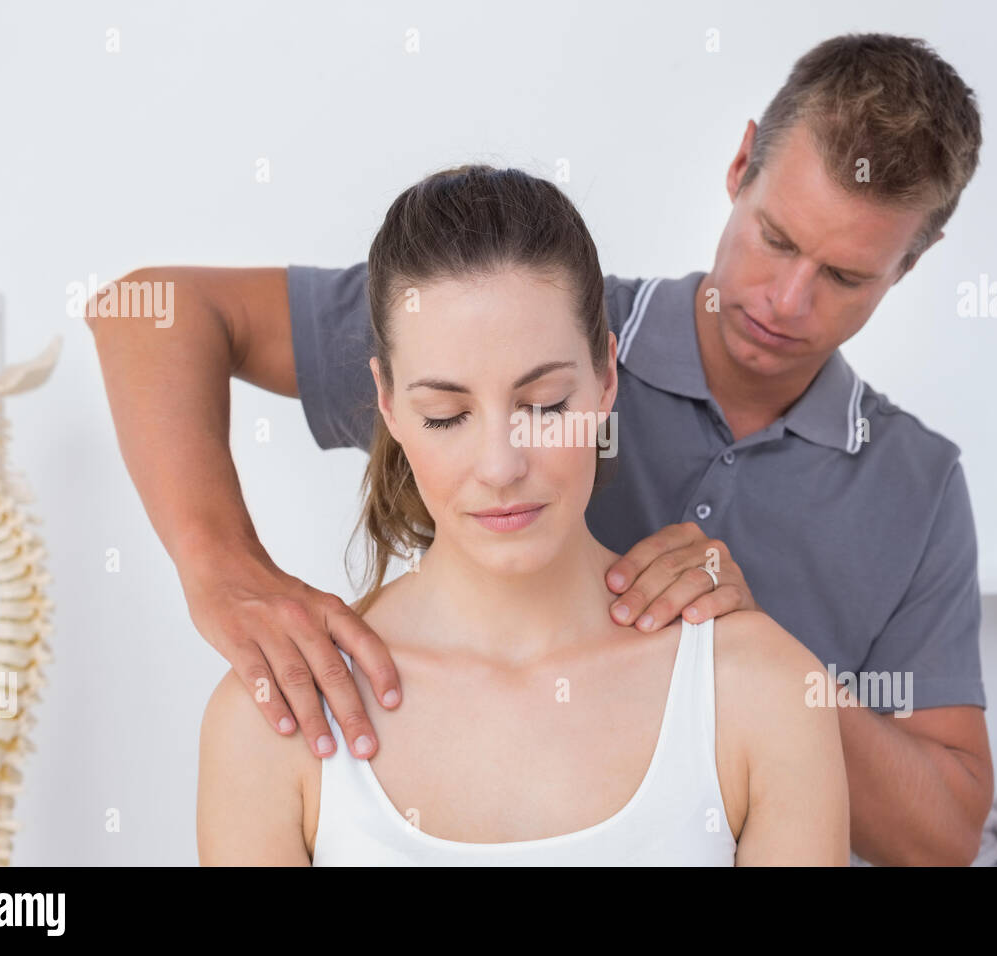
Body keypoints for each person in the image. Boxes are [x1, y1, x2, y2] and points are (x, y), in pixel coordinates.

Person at [89, 32, 992, 865]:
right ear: (740, 166)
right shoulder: (498, 302)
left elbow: (947, 832)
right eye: (777, 238)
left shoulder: (914, 489)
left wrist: (765, 670)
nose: (787, 301)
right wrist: (219, 566)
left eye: (843, 276)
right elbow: (150, 310)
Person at [195, 164, 850, 864]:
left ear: (604, 377)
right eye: (446, 415)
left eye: (543, 405)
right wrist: (220, 565)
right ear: (388, 404)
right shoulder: (276, 721)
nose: (502, 465)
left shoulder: (761, 692)